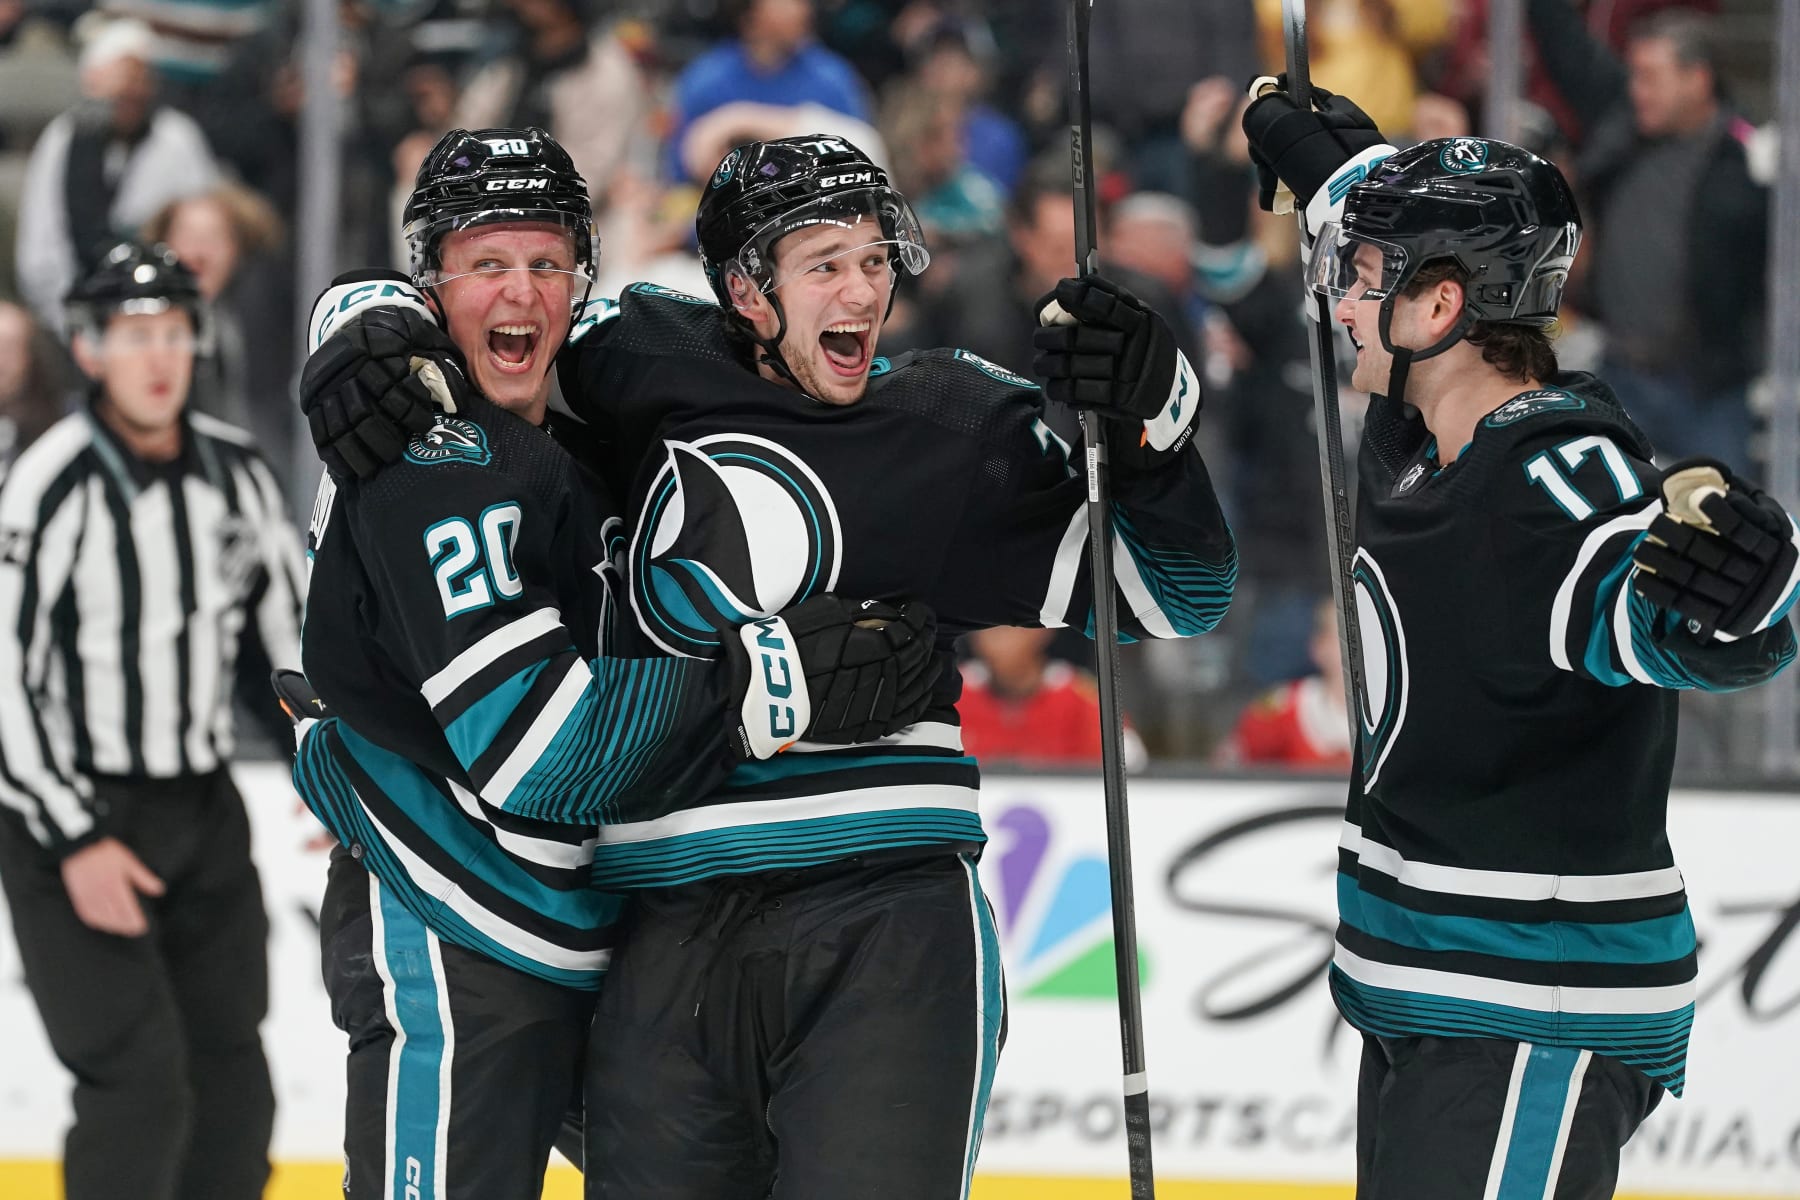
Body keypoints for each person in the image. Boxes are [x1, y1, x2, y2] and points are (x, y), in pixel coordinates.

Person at [298, 132, 1236, 1198]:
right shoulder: (631, 365)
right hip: (659, 929)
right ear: (746, 289)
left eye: (875, 259)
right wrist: (360, 314)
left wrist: (1156, 421)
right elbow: (475, 314)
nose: (861, 288)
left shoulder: (948, 419)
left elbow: (1173, 591)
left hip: (883, 916)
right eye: (823, 262)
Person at [290, 127, 940, 1200]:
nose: (523, 292)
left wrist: (360, 305)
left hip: (584, 935)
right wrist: (776, 682)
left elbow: (677, 341)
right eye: (487, 265)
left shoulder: (574, 426)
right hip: (457, 919)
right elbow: (538, 751)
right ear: (432, 284)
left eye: (546, 263)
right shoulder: (430, 452)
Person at [1243, 88, 1800, 1198]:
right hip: (1433, 988)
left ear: (1441, 305)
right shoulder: (1418, 424)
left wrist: (1744, 611)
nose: (1340, 303)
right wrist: (1324, 161)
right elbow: (1382, 222)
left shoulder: (1554, 472)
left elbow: (1659, 618)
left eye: (1363, 281)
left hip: (1528, 996)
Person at [0, 240, 302, 1200]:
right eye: (132, 337)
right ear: (88, 351)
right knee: (138, 1089)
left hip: (201, 812)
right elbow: (3, 673)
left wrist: (329, 762)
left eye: (172, 331)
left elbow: (286, 648)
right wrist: (75, 836)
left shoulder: (238, 474)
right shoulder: (51, 483)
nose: (157, 357)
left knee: (235, 1087)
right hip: (72, 818)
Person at [1526, 3, 1765, 469]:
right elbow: (1563, 46)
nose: (1637, 90)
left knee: (1725, 526)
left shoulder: (1747, 164)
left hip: (1708, 392)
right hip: (1621, 375)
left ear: (1697, 79)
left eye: (1650, 76)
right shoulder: (1620, 124)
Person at [13, 16, 219, 335]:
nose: (132, 93)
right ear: (93, 83)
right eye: (120, 87)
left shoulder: (177, 138)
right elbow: (40, 252)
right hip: (72, 313)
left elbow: (203, 233)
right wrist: (80, 324)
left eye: (140, 82)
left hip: (164, 309)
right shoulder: (64, 138)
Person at [958, 625, 1148, 771]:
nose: (994, 640)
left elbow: (1131, 764)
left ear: (1040, 632)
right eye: (983, 628)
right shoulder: (953, 693)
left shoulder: (1079, 697)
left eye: (1005, 630)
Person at [1217, 598, 1352, 770]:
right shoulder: (1285, 707)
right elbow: (1226, 767)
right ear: (1319, 647)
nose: (1360, 650)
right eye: (1348, 638)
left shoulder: (1394, 713)